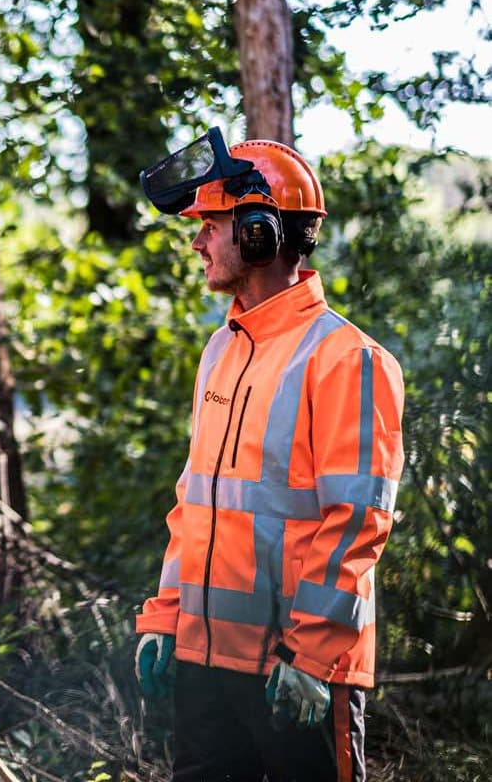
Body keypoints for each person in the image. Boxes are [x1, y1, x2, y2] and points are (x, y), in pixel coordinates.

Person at [132, 128, 405, 781]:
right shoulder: (221, 350)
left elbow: (355, 525)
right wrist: (166, 616)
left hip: (296, 677)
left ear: (259, 231)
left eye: (211, 224)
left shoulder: (347, 358)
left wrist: (312, 657)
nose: (197, 241)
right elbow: (196, 503)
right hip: (204, 663)